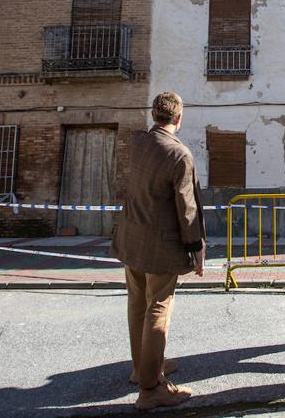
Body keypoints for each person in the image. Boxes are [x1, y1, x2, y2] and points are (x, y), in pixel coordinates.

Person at [111, 92, 206, 411]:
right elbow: (187, 208)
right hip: (160, 245)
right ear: (178, 118)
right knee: (158, 307)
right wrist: (196, 247)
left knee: (137, 303)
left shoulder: (138, 143)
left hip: (131, 238)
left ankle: (142, 368)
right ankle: (151, 389)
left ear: (154, 116)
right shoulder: (179, 154)